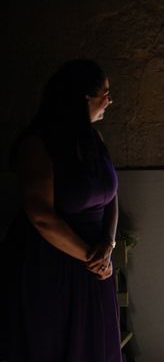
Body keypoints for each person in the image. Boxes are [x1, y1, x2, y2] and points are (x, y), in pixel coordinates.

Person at [5, 59, 121, 361]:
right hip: (50, 264)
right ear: (83, 97)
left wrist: (107, 245)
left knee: (96, 345)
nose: (109, 100)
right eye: (104, 93)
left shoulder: (94, 138)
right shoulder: (37, 144)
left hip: (95, 265)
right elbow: (41, 216)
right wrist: (90, 256)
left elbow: (111, 195)